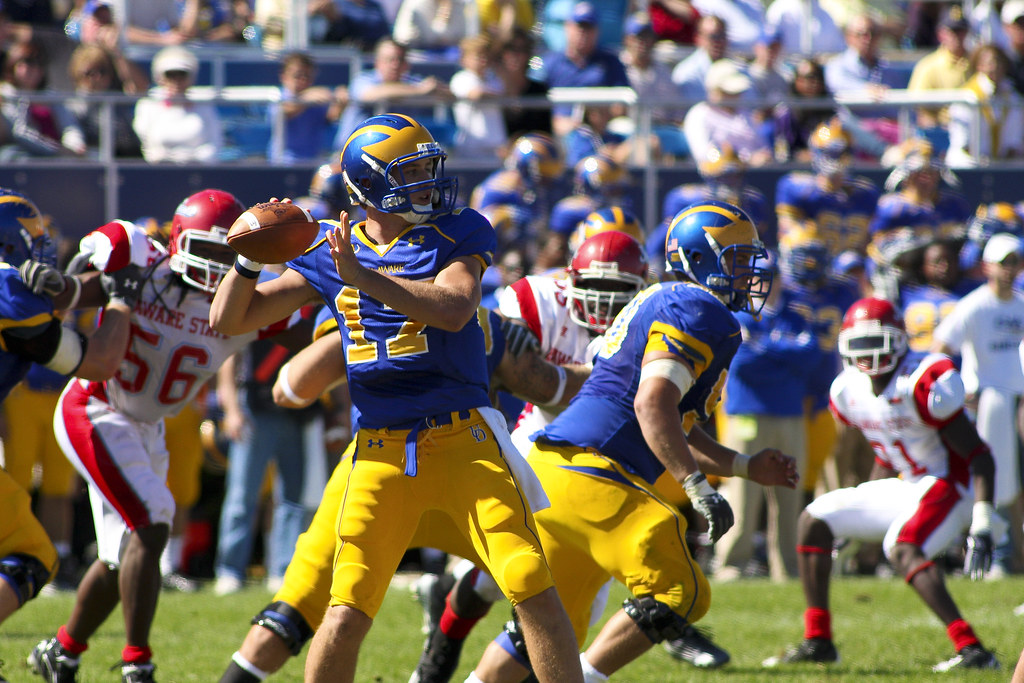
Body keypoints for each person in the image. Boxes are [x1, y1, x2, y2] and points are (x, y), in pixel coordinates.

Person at [208, 112, 585, 683]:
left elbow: (455, 308)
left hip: (463, 438)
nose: (428, 182)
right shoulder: (329, 246)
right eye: (410, 173)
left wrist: (361, 276)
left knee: (530, 581)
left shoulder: (457, 228)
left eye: (428, 168)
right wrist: (247, 258)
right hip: (379, 449)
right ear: (369, 184)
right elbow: (230, 320)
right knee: (345, 609)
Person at [465, 201, 799, 683]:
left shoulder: (663, 298)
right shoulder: (698, 308)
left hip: (551, 471)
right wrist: (697, 488)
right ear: (699, 258)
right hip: (591, 473)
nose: (749, 273)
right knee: (683, 591)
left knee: (549, 628)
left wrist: (744, 466)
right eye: (738, 259)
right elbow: (651, 405)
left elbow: (670, 420)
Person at [25, 189, 297, 683]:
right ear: (177, 242)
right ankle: (138, 663)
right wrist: (58, 285)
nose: (214, 266)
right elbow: (77, 291)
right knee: (153, 522)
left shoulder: (239, 305)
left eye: (226, 254)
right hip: (97, 408)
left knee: (121, 558)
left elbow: (303, 322)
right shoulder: (145, 268)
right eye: (205, 249)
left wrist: (327, 284)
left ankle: (62, 651)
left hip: (148, 427)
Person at [767, 297, 1002, 672]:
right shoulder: (848, 390)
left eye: (878, 343)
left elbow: (979, 455)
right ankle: (818, 640)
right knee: (815, 519)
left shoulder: (923, 382)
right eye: (860, 345)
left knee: (901, 546)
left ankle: (973, 650)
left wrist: (983, 519)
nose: (870, 355)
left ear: (900, 341)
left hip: (950, 485)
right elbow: (887, 451)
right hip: (909, 484)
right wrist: (862, 510)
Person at [0, 188, 130, 632]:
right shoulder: (9, 291)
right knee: (32, 555)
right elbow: (100, 362)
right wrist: (122, 298)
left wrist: (66, 293)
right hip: (32, 397)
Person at [712, 245, 823, 584]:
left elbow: (810, 357)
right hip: (747, 414)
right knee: (742, 493)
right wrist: (784, 357)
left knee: (789, 495)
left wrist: (765, 349)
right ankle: (731, 564)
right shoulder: (738, 315)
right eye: (756, 276)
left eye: (768, 276)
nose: (761, 283)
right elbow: (744, 364)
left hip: (789, 414)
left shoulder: (796, 316)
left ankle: (787, 568)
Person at [933, 233, 1024, 577]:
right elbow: (941, 347)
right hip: (986, 402)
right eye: (1004, 263)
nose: (1010, 269)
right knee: (992, 475)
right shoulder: (974, 305)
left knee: (1013, 480)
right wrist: (956, 388)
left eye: (1015, 262)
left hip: (1017, 402)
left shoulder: (1020, 304)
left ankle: (1011, 553)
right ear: (988, 266)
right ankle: (994, 551)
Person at [213, 330, 326, 595]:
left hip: (297, 413)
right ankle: (229, 570)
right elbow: (230, 357)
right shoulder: (261, 309)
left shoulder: (311, 314)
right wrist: (232, 410)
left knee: (292, 498)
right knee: (242, 495)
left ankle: (283, 570)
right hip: (254, 408)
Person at [775, 119, 881, 260]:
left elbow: (872, 240)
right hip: (812, 264)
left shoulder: (866, 193)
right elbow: (788, 235)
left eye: (840, 154)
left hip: (852, 266)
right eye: (830, 154)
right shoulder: (799, 189)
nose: (835, 160)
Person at [332, 38, 451, 148]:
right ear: (377, 62)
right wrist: (418, 91)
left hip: (395, 153)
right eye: (389, 60)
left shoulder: (412, 83)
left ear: (407, 64)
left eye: (400, 60)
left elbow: (449, 96)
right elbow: (368, 94)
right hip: (354, 151)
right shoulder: (362, 79)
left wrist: (434, 88)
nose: (395, 65)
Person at [535, 1, 630, 137]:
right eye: (579, 26)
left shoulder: (610, 62)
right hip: (559, 133)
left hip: (602, 131)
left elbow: (622, 105)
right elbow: (534, 100)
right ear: (568, 27)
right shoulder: (550, 62)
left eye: (588, 28)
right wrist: (557, 122)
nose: (583, 33)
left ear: (597, 31)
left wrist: (599, 116)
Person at [132, 45, 224, 163]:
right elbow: (146, 145)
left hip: (198, 170)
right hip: (159, 169)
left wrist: (194, 160)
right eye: (170, 75)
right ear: (160, 77)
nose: (176, 80)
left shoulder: (204, 105)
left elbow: (214, 144)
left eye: (182, 75)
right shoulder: (147, 104)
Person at [0, 36, 86, 160]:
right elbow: (20, 132)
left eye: (36, 64)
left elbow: (69, 126)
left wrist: (76, 146)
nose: (30, 69)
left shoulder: (52, 96)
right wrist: (57, 150)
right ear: (12, 66)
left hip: (60, 157)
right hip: (27, 155)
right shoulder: (6, 95)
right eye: (25, 63)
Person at [683, 60, 773, 170]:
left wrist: (763, 158)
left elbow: (763, 148)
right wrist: (743, 160)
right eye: (730, 92)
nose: (736, 96)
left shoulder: (745, 114)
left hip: (757, 174)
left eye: (738, 92)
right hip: (720, 176)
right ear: (714, 91)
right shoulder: (699, 114)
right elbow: (705, 156)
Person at [946, 43, 1024, 168]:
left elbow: (1014, 140)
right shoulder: (967, 97)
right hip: (968, 164)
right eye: (990, 63)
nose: (995, 67)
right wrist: (982, 162)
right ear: (979, 65)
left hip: (1002, 165)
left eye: (999, 62)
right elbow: (963, 142)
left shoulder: (1013, 97)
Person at [65, 43, 144, 159]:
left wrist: (118, 55)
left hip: (128, 156)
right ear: (78, 73)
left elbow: (141, 88)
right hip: (92, 159)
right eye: (90, 72)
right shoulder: (72, 106)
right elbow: (72, 136)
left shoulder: (118, 98)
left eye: (102, 71)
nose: (97, 77)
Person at [268, 52, 347, 164]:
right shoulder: (278, 97)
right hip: (284, 163)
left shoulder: (314, 99)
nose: (303, 81)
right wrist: (305, 99)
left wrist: (340, 103)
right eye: (297, 76)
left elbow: (331, 117)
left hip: (313, 162)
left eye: (307, 76)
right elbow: (285, 111)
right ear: (284, 77)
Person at [906, 6, 970, 132]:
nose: (957, 36)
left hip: (975, 129)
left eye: (961, 31)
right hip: (942, 130)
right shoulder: (928, 66)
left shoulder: (977, 62)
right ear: (941, 34)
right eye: (952, 31)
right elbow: (919, 109)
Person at [770, 58, 839, 163]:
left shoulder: (829, 111)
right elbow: (782, 153)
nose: (813, 82)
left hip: (825, 164)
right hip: (794, 167)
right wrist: (799, 156)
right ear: (797, 81)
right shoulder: (786, 114)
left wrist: (817, 154)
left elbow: (831, 140)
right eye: (808, 77)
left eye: (817, 77)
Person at [449, 34, 508, 157]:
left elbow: (505, 95)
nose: (483, 60)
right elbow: (475, 95)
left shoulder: (494, 79)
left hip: (496, 145)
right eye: (478, 56)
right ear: (464, 59)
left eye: (486, 56)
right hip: (471, 145)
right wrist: (495, 95)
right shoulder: (460, 78)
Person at [670, 15, 729, 104]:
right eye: (713, 37)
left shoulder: (736, 68)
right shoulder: (686, 73)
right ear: (699, 39)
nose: (718, 42)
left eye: (722, 36)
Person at [393, 0, 481, 55]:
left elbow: (470, 39)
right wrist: (441, 22)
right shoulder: (415, 3)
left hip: (453, 57)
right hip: (418, 56)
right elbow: (403, 38)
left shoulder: (465, 3)